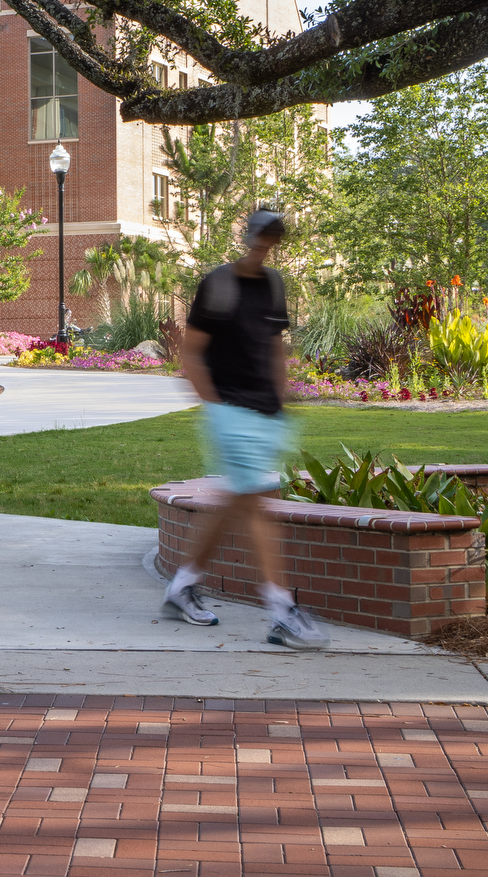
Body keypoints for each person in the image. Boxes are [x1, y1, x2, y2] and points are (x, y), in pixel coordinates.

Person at [157, 208, 330, 650]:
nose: (264, 244)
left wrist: (281, 401)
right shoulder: (218, 283)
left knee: (239, 500)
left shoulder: (272, 285)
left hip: (265, 411)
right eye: (259, 236)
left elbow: (274, 346)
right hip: (229, 409)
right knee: (254, 504)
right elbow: (191, 353)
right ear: (246, 236)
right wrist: (214, 408)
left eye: (272, 238)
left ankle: (183, 585)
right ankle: (282, 609)